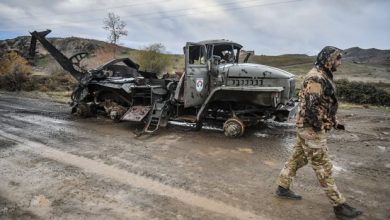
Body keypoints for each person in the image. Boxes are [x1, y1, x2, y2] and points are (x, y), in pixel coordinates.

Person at [275, 46, 363, 218]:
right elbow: (311, 108)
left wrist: (333, 121)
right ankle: (339, 206)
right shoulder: (315, 78)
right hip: (311, 129)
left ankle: (282, 187)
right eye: (337, 59)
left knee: (297, 159)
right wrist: (320, 127)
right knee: (323, 166)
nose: (340, 63)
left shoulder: (323, 75)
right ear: (328, 60)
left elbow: (322, 105)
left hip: (307, 127)